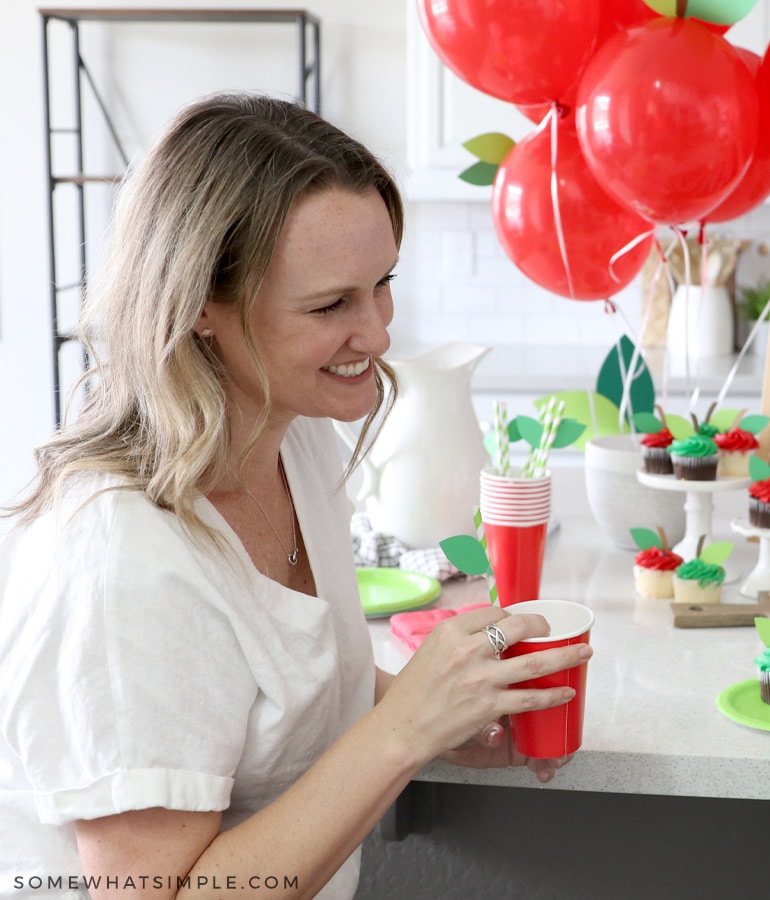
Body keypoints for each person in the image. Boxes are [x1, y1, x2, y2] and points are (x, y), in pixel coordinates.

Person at [0, 92, 590, 898]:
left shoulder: (292, 431)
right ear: (201, 305)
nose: (378, 334)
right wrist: (402, 730)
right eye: (329, 305)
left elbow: (282, 687)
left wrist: (452, 716)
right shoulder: (125, 565)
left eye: (381, 284)